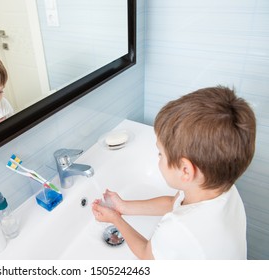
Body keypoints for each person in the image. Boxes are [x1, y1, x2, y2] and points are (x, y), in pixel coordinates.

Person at [92, 86, 256, 259]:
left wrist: (116, 220)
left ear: (185, 170)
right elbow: (173, 202)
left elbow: (147, 256)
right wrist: (124, 207)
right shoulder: (224, 189)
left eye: (160, 154)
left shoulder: (178, 227)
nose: (159, 159)